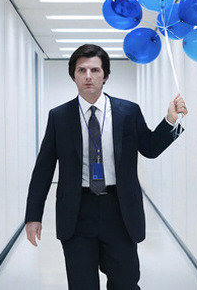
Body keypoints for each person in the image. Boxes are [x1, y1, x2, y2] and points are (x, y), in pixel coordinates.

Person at [24, 43, 187, 289]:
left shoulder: (128, 112)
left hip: (119, 210)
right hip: (77, 212)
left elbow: (150, 148)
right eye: (81, 70)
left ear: (105, 76)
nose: (88, 76)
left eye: (95, 70)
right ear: (73, 75)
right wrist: (33, 216)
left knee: (126, 282)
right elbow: (43, 169)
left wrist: (170, 121)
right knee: (82, 284)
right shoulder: (59, 117)